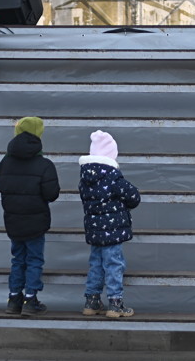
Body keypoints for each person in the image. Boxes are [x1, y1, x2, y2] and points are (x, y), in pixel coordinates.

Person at [0, 116, 59, 317]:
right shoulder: (44, 164)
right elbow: (51, 194)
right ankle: (30, 299)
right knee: (34, 259)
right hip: (36, 222)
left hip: (13, 220)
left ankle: (14, 298)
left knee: (18, 259)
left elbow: (1, 187)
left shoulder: (5, 162)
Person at [79, 130, 140, 319]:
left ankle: (92, 301)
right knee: (114, 264)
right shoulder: (113, 177)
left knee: (95, 265)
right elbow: (133, 197)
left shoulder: (85, 179)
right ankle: (115, 303)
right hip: (112, 231)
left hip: (94, 230)